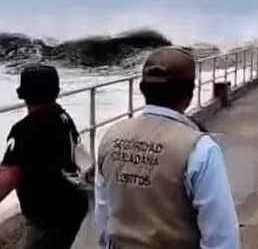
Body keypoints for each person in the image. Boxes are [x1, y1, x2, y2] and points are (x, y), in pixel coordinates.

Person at [93, 47, 239, 249]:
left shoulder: (111, 136)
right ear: (189, 92)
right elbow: (220, 235)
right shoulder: (199, 148)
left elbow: (103, 215)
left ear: (142, 89)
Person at [0, 64, 88, 249]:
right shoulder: (62, 116)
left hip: (49, 220)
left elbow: (8, 176)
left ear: (22, 94)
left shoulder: (23, 130)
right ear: (56, 91)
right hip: (74, 209)